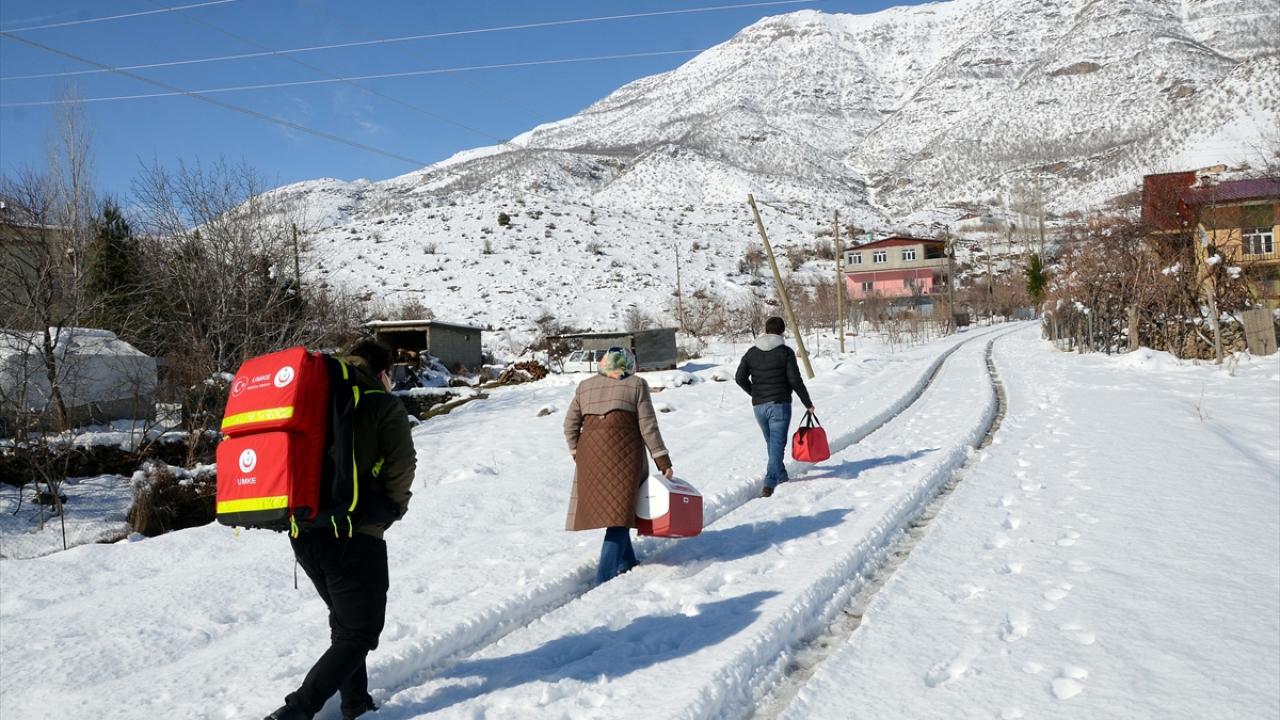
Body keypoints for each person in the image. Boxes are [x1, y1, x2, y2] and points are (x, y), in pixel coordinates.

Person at [266, 338, 417, 720]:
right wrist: (392, 509)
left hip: (304, 532)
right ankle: (295, 712)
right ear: (383, 373)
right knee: (360, 631)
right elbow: (402, 463)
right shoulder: (381, 402)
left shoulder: (315, 395)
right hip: (354, 534)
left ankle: (355, 703)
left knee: (346, 624)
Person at [563, 347, 673, 584]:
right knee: (619, 517)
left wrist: (577, 452)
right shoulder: (636, 384)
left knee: (618, 512)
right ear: (628, 363)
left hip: (590, 457)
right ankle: (604, 578)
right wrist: (662, 460)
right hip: (623, 457)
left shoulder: (585, 386)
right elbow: (648, 427)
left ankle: (627, 562)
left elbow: (569, 425)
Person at [735, 316, 814, 498]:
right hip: (779, 404)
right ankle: (769, 483)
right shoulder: (785, 352)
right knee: (777, 445)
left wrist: (755, 394)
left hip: (759, 407)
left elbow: (739, 378)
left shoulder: (751, 352)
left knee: (773, 445)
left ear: (765, 330)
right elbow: (795, 380)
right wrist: (807, 403)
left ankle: (782, 476)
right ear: (782, 331)